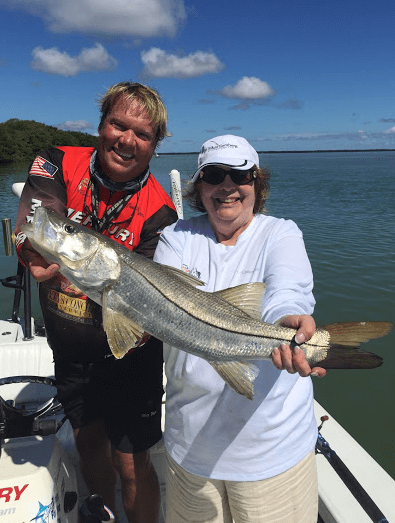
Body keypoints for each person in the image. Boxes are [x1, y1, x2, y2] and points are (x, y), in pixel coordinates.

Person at [15, 82, 178, 523]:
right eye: (117, 125)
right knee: (88, 443)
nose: (127, 140)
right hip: (70, 350)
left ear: (155, 145)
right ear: (101, 124)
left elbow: (141, 301)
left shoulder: (162, 213)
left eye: (142, 135)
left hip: (130, 355)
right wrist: (30, 245)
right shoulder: (56, 161)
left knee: (132, 463)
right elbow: (35, 217)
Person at [153, 135, 326, 523]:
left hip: (272, 452)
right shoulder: (176, 237)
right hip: (190, 449)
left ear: (256, 184)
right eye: (214, 175)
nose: (227, 185)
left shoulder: (281, 233)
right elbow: (169, 305)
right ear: (199, 187)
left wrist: (287, 322)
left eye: (240, 175)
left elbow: (288, 289)